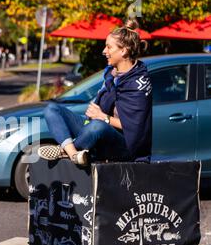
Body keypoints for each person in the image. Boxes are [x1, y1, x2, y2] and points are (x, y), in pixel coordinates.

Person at [38, 18, 152, 165]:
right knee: (52, 109)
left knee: (97, 125)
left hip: (125, 146)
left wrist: (102, 117)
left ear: (123, 51)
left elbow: (134, 127)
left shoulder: (137, 84)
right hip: (95, 130)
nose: (104, 51)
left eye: (109, 47)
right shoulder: (112, 74)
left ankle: (63, 151)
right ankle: (73, 154)